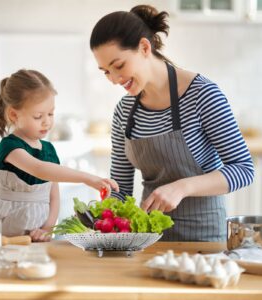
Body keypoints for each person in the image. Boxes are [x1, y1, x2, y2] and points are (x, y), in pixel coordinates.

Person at [89, 5, 254, 241]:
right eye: (106, 72)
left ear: (144, 47)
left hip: (204, 239)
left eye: (119, 66)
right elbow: (121, 191)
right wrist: (99, 216)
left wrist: (182, 187)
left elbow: (243, 169)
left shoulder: (202, 95)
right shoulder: (125, 111)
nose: (114, 80)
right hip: (149, 239)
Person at [0, 69, 118, 241]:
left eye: (50, 114)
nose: (47, 121)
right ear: (13, 114)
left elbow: (54, 196)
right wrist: (88, 178)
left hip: (35, 236)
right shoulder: (10, 146)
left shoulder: (49, 149)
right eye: (38, 116)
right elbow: (39, 169)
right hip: (2, 231)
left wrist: (47, 228)